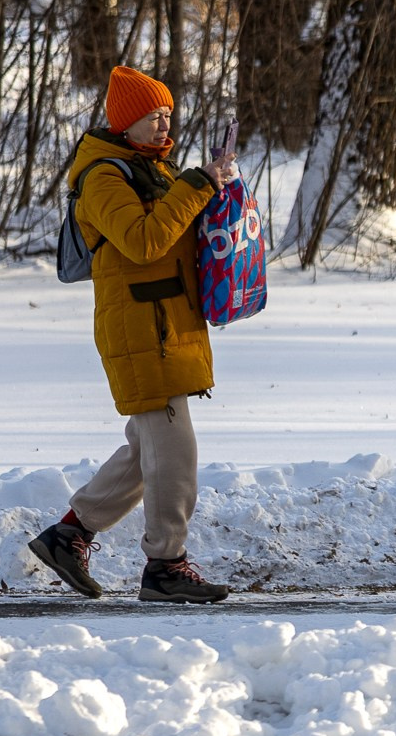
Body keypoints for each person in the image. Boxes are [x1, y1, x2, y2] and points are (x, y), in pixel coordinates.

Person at [27, 66, 242, 604]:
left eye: (167, 113)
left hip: (170, 323)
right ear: (125, 121)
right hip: (142, 328)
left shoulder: (154, 170)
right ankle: (166, 565)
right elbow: (144, 241)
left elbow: (180, 233)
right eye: (152, 115)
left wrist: (215, 187)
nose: (163, 122)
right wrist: (194, 186)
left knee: (147, 450)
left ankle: (70, 534)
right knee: (174, 453)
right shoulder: (103, 177)